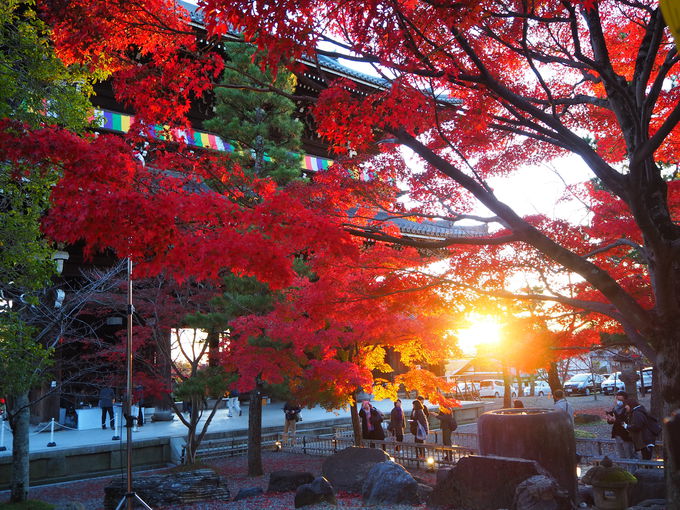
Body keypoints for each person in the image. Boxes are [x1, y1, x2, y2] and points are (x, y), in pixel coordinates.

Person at [605, 390, 636, 459]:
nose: (618, 401)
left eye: (620, 400)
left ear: (625, 400)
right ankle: (623, 468)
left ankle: (632, 469)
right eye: (617, 399)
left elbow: (626, 422)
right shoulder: (615, 408)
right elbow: (612, 421)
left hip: (626, 435)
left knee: (629, 455)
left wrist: (615, 420)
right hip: (617, 434)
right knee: (621, 456)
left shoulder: (628, 409)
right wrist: (609, 419)